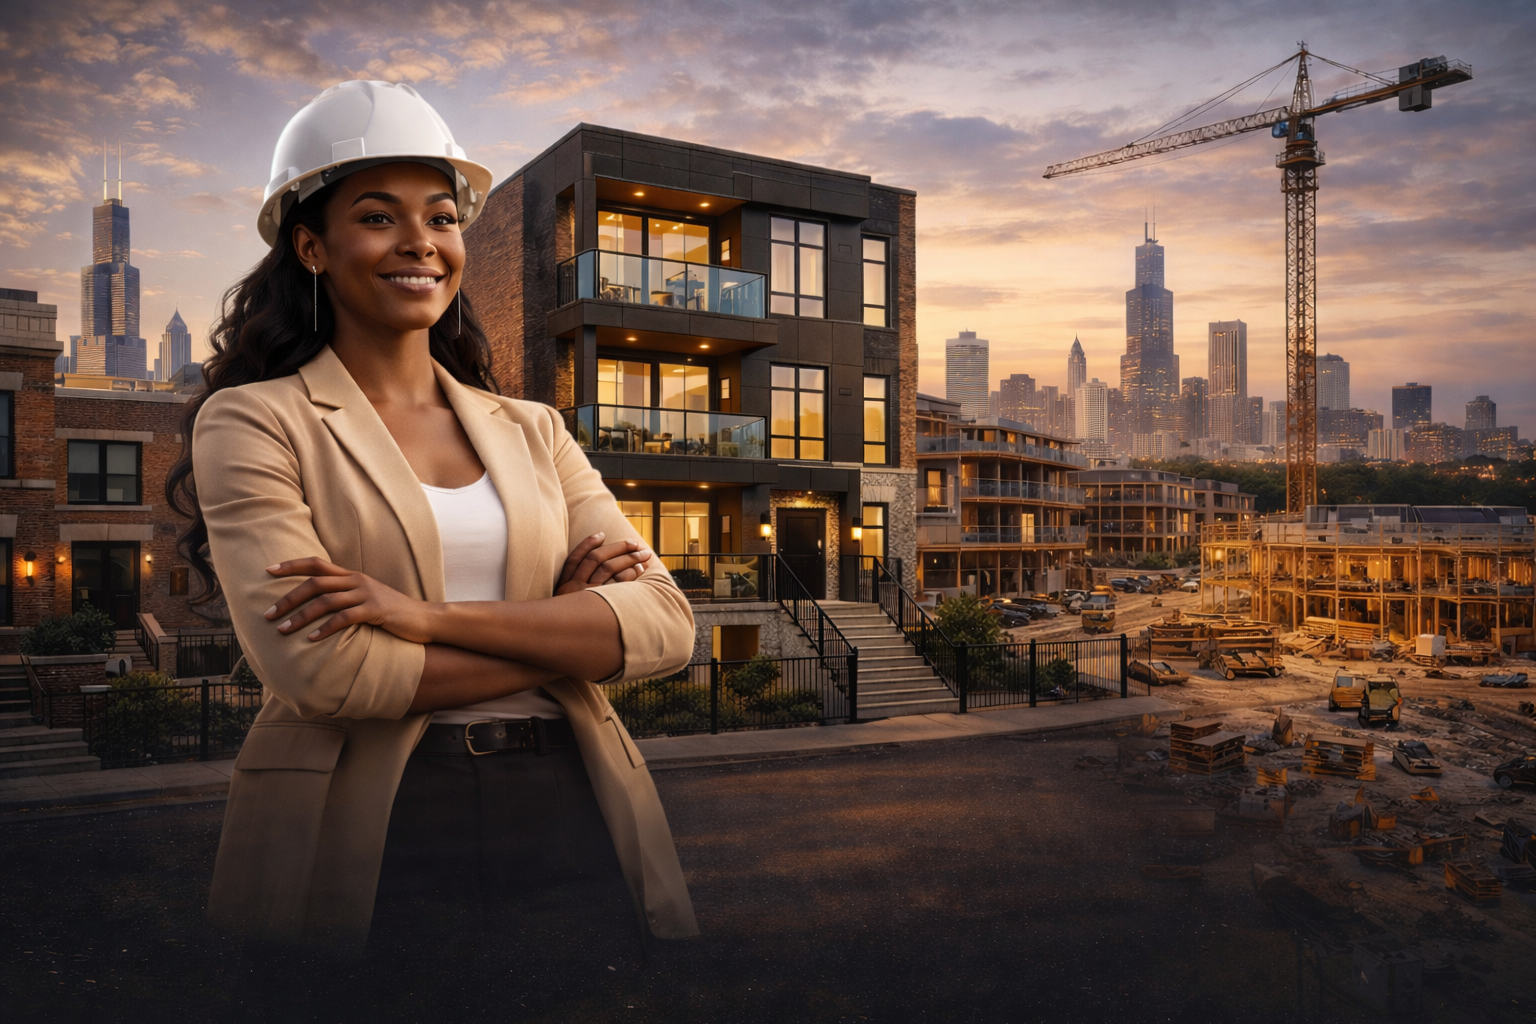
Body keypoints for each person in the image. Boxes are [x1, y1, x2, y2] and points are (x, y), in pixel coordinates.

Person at [167, 80, 699, 955]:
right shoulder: (258, 420)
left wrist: (422, 619)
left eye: (443, 218)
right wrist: (565, 631)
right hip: (371, 813)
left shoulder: (533, 430)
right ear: (311, 246)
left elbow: (667, 627)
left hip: (575, 802)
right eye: (378, 217)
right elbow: (326, 674)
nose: (421, 242)